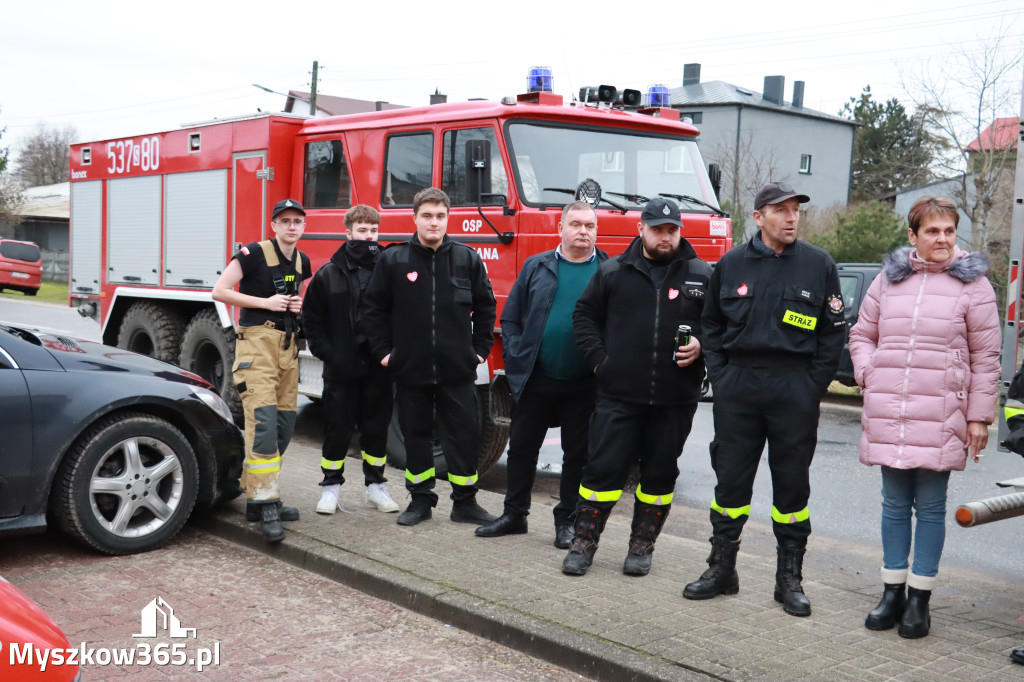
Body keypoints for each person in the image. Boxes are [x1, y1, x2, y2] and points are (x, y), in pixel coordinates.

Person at [682, 181, 845, 616]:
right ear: (759, 217)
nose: (792, 218)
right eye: (782, 210)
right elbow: (710, 325)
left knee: (792, 485)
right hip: (739, 386)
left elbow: (832, 334)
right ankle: (721, 569)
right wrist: (720, 374)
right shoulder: (732, 264)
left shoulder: (818, 264)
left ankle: (788, 580)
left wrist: (813, 386)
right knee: (730, 482)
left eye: (796, 211)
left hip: (794, 387)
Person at [849, 195, 999, 639]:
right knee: (894, 504)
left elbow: (987, 357)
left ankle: (919, 600)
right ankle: (891, 591)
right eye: (932, 231)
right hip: (889, 409)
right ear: (913, 236)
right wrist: (867, 371)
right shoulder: (887, 281)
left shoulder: (975, 286)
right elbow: (862, 333)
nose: (943, 239)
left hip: (942, 412)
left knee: (930, 507)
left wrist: (978, 417)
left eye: (949, 231)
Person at [561, 197, 711, 576]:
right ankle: (583, 544)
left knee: (660, 476)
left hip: (675, 400)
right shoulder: (612, 272)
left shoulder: (702, 275)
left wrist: (703, 346)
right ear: (640, 229)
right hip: (618, 395)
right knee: (601, 473)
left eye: (672, 230)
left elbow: (721, 325)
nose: (665, 237)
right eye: (658, 230)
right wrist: (600, 362)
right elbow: (584, 316)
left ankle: (641, 546)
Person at [475, 201, 609, 548]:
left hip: (586, 382)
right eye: (576, 224)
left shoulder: (611, 271)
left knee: (577, 455)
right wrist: (519, 359)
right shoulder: (537, 267)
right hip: (537, 377)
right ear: (560, 229)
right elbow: (512, 318)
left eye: (590, 226)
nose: (583, 231)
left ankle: (567, 521)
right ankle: (514, 515)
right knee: (521, 449)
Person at [362, 187, 498, 527]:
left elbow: (485, 307)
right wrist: (383, 353)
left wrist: (480, 350)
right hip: (411, 368)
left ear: (448, 218)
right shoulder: (393, 260)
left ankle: (465, 502)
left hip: (457, 369)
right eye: (427, 216)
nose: (433, 222)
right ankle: (420, 501)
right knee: (416, 435)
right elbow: (373, 309)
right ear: (415, 218)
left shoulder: (467, 258)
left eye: (440, 216)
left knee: (464, 435)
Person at [212, 198, 311, 542]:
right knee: (264, 423)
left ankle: (256, 494)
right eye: (285, 221)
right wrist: (265, 303)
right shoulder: (253, 254)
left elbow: (294, 299)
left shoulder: (301, 260)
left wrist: (295, 306)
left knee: (284, 426)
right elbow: (220, 291)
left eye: (297, 221)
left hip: (287, 349)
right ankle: (267, 501)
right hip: (256, 346)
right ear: (274, 225)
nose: (291, 226)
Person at [302, 205, 400, 516]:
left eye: (373, 231)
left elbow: (403, 316)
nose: (369, 237)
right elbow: (312, 322)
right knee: (337, 430)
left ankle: (376, 488)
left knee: (376, 429)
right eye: (362, 231)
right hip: (341, 369)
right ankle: (330, 489)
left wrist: (393, 353)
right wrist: (331, 355)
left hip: (379, 368)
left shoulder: (390, 271)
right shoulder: (327, 274)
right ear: (349, 233)